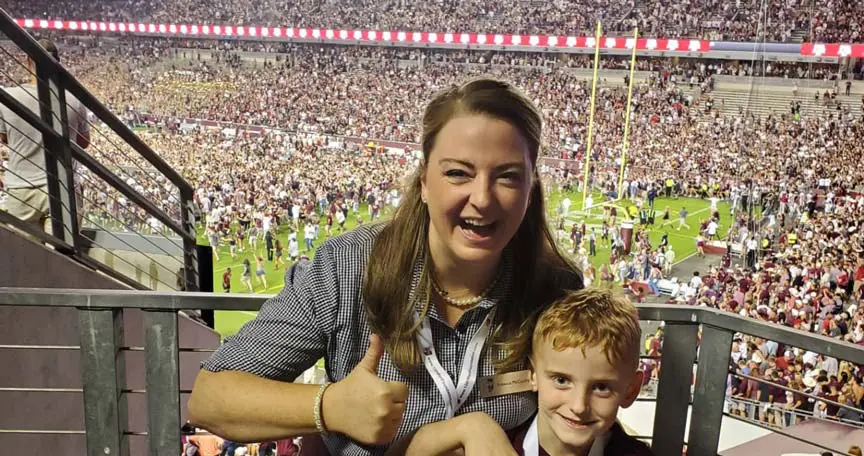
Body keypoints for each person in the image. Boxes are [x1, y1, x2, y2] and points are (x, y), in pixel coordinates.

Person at [188, 78, 583, 455]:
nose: (482, 197)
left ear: (531, 190)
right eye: (458, 173)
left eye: (508, 177)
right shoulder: (348, 267)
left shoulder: (555, 289)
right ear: (425, 181)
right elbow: (210, 398)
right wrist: (331, 406)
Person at [510, 288, 652, 455]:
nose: (579, 407)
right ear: (533, 373)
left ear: (631, 391)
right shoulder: (495, 448)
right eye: (561, 381)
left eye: (601, 387)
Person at [0, 39, 90, 235]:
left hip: (22, 188)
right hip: (63, 187)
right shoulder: (74, 99)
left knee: (21, 256)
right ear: (58, 64)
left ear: (28, 62)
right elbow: (84, 143)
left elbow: (5, 139)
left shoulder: (9, 97)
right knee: (62, 257)